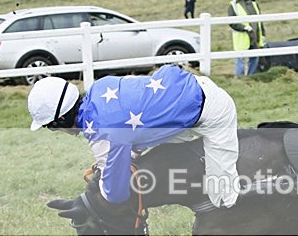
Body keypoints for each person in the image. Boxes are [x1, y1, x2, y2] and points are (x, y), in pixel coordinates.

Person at [28, 65, 239, 209]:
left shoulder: (103, 137)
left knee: (221, 194)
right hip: (191, 88)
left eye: (52, 128)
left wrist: (105, 175)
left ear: (61, 120)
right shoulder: (100, 87)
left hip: (214, 111)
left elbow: (115, 195)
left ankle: (241, 215)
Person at [228, 0, 266, 76]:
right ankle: (240, 78)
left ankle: (251, 77)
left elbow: (260, 21)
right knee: (240, 60)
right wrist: (244, 28)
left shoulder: (254, 4)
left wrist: (263, 34)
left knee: (255, 58)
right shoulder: (233, 5)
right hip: (242, 37)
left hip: (255, 36)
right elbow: (232, 22)